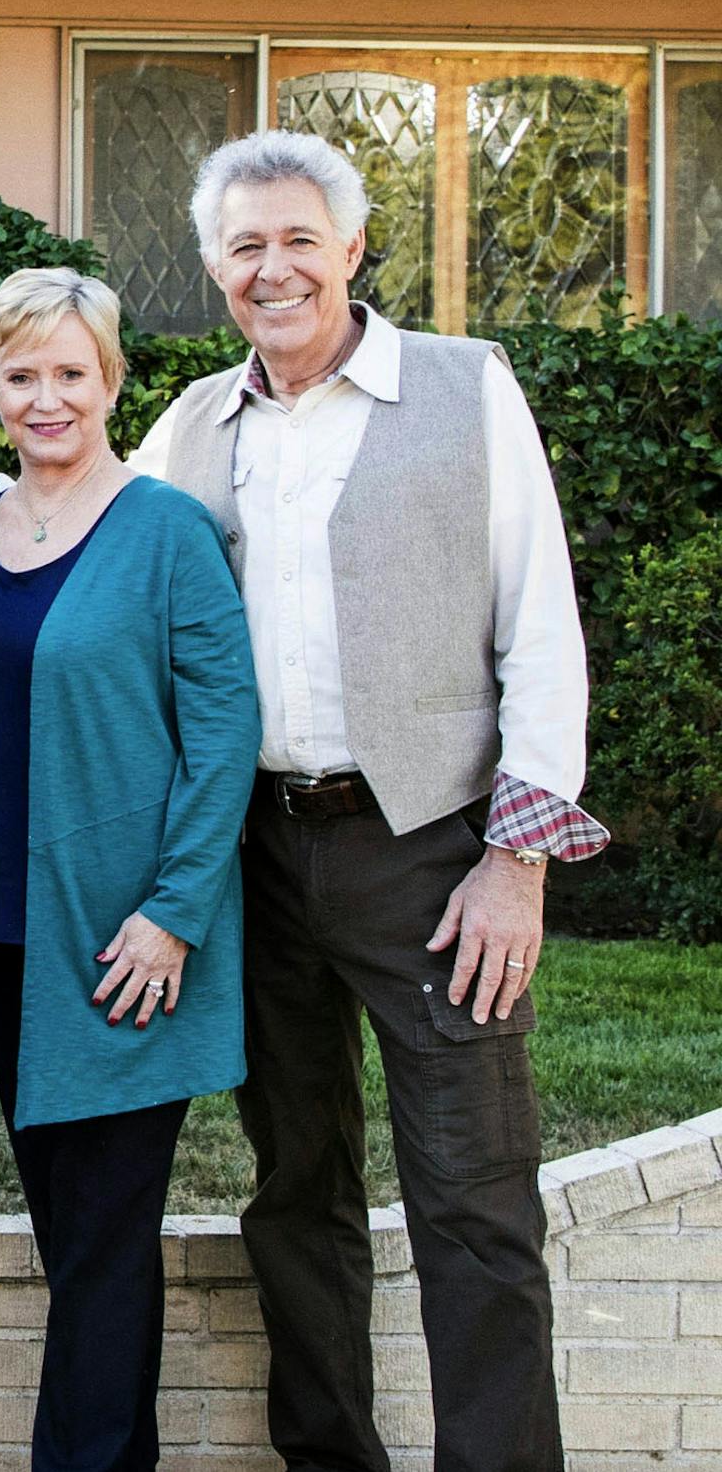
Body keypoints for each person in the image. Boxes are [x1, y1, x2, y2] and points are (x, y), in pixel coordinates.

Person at [133, 129, 608, 1472]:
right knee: (295, 1192)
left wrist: (518, 862)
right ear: (215, 267)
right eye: (244, 247)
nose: (272, 268)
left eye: (298, 239)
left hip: (432, 857)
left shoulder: (466, 390)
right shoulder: (190, 428)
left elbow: (544, 632)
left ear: (351, 247)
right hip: (256, 862)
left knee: (472, 1199)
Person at [0, 267, 259, 1471]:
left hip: (122, 948)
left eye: (73, 372)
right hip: (0, 939)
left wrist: (174, 913)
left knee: (107, 1242)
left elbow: (224, 736)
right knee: (75, 1240)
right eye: (23, 375)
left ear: (114, 380)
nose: (47, 396)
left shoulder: (164, 530)